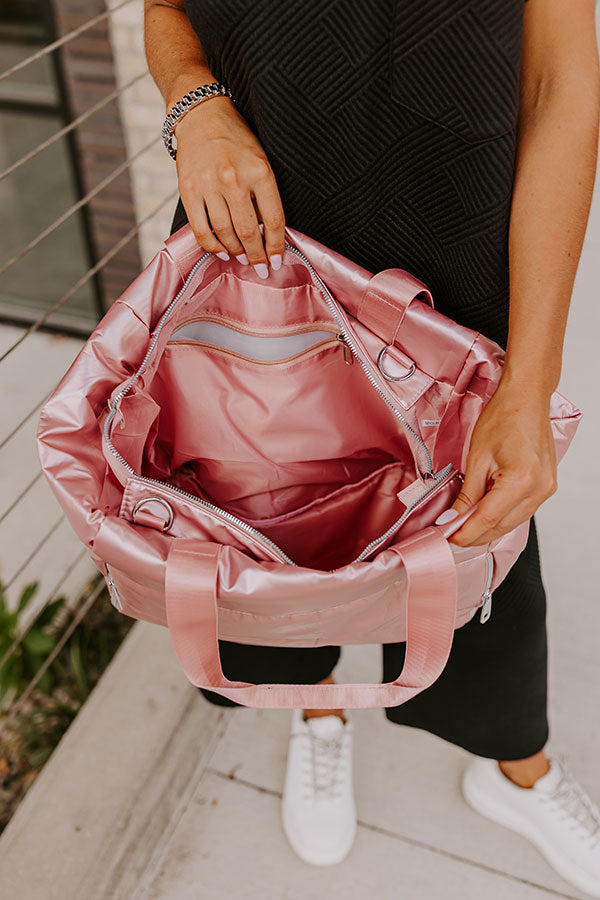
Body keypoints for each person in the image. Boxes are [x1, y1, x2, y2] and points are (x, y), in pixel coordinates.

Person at [144, 1, 600, 893]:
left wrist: (531, 381)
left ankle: (519, 768)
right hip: (260, 252)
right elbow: (167, 10)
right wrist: (193, 107)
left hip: (457, 258)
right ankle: (319, 715)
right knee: (275, 518)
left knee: (480, 541)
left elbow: (561, 85)